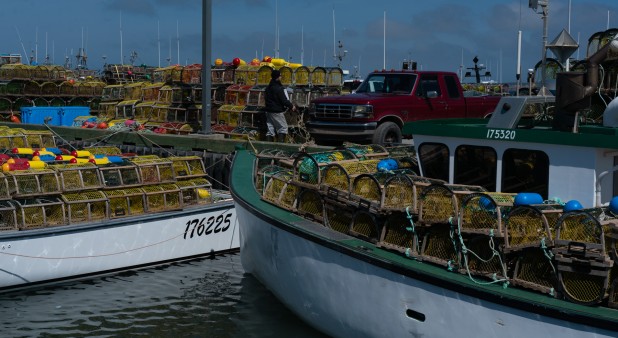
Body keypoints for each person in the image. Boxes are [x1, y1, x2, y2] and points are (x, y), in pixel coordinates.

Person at [264, 69, 296, 142]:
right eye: (280, 76)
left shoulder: (268, 88)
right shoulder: (279, 88)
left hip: (268, 111)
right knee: (283, 128)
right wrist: (292, 106)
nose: (281, 77)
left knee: (270, 129)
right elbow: (284, 100)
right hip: (277, 111)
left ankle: (268, 147)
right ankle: (280, 146)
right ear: (277, 77)